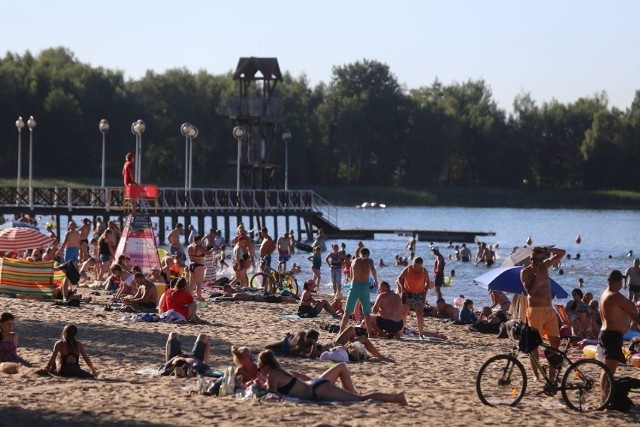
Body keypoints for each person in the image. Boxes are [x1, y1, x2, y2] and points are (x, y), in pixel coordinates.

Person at [257, 350, 407, 405]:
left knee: (362, 399)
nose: (260, 371)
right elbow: (301, 378)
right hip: (316, 383)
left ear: (265, 366)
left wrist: (260, 385)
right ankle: (352, 393)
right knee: (357, 397)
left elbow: (272, 394)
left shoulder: (272, 374)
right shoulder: (282, 371)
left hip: (318, 390)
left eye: (259, 368)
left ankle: (397, 397)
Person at [520, 246, 566, 382]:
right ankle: (536, 375)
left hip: (549, 310)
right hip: (535, 311)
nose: (537, 263)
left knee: (555, 344)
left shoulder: (545, 266)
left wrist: (547, 249)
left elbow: (562, 253)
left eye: (540, 260)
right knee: (534, 345)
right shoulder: (526, 273)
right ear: (530, 259)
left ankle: (552, 376)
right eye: (534, 260)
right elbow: (531, 293)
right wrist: (538, 277)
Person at [599, 270, 640, 386]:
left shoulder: (604, 294)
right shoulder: (615, 296)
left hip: (607, 334)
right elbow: (633, 308)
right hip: (612, 335)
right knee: (609, 371)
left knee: (607, 369)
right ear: (618, 281)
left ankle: (605, 397)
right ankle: (605, 398)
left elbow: (626, 312)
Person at [339, 247, 378, 336]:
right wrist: (376, 281)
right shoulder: (369, 260)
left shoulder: (353, 261)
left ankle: (341, 331)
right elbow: (373, 269)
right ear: (368, 254)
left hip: (354, 286)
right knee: (367, 313)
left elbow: (351, 277)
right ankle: (369, 334)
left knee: (347, 311)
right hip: (364, 287)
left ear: (360, 253)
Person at [396, 257, 430, 338]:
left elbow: (427, 283)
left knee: (419, 314)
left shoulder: (423, 271)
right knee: (404, 313)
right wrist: (402, 288)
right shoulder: (408, 269)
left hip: (419, 294)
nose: (416, 268)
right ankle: (400, 333)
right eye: (414, 265)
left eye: (418, 266)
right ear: (413, 263)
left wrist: (424, 295)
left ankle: (421, 334)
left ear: (421, 265)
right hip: (407, 293)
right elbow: (399, 279)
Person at [187, 235, 207, 301]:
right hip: (199, 265)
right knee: (199, 283)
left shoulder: (189, 247)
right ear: (199, 240)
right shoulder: (199, 247)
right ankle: (199, 297)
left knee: (191, 283)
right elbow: (208, 253)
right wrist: (212, 250)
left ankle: (189, 296)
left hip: (191, 265)